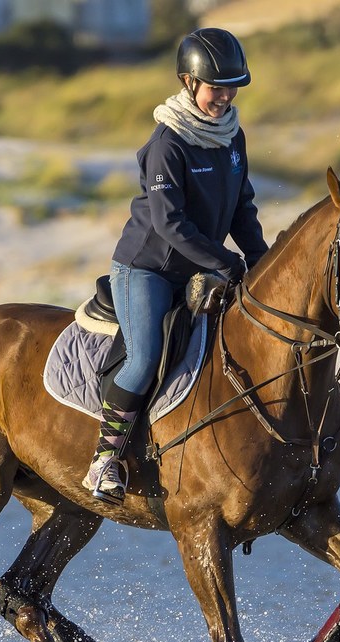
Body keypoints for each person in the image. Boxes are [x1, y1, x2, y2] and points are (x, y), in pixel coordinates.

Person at [83, 27, 269, 505]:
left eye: (232, 87)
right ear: (189, 82)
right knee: (145, 357)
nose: (224, 97)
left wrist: (261, 261)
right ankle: (105, 459)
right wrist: (226, 261)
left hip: (200, 268)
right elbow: (170, 224)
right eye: (215, 87)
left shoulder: (232, 138)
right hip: (146, 268)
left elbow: (243, 209)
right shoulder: (168, 142)